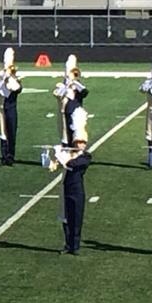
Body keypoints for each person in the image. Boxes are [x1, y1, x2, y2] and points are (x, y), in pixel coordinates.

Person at [53, 108, 92, 255]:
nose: (80, 145)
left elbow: (73, 164)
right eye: (78, 142)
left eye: (82, 142)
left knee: (76, 218)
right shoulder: (68, 153)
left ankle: (75, 246)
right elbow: (56, 165)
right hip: (65, 188)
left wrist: (62, 155)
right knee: (65, 217)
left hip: (77, 190)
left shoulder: (86, 156)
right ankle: (68, 244)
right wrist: (54, 156)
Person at [0, 48, 22, 166]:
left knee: (11, 133)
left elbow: (17, 89)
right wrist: (3, 79)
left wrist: (9, 79)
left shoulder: (16, 81)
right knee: (2, 132)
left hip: (11, 110)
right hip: (1, 110)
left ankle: (11, 156)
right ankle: (4, 156)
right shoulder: (0, 81)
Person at [55, 55, 88, 146]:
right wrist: (66, 86)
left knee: (76, 134)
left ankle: (77, 150)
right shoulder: (63, 85)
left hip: (76, 114)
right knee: (65, 134)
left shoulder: (78, 86)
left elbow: (85, 92)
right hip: (65, 112)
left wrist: (74, 82)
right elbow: (58, 95)